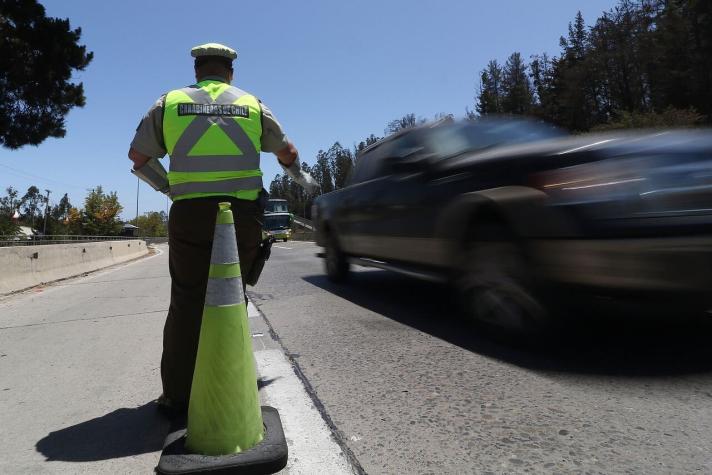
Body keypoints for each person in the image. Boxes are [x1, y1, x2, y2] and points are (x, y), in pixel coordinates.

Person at [127, 42, 316, 414]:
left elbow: (138, 158)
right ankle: (231, 389)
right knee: (232, 298)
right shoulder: (251, 104)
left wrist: (169, 188)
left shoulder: (167, 103)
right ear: (230, 72)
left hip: (190, 215)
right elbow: (288, 154)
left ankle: (178, 396)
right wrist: (301, 178)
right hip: (241, 216)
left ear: (197, 71)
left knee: (186, 302)